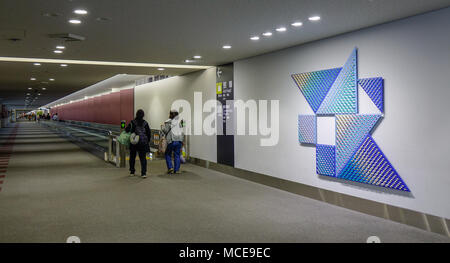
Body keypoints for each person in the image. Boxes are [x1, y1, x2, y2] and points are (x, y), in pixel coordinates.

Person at [126, 109, 151, 178]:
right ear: (143, 115)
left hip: (134, 143)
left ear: (136, 115)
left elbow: (127, 130)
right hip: (142, 143)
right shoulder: (145, 123)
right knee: (143, 158)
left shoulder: (132, 122)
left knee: (132, 157)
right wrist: (146, 141)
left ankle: (132, 172)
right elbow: (149, 133)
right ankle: (143, 173)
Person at [162, 110, 184, 174]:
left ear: (170, 115)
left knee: (167, 154)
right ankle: (176, 169)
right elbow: (183, 130)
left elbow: (165, 131)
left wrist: (163, 128)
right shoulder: (181, 121)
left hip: (171, 140)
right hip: (179, 140)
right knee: (177, 155)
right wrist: (182, 140)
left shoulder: (167, 122)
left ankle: (170, 168)